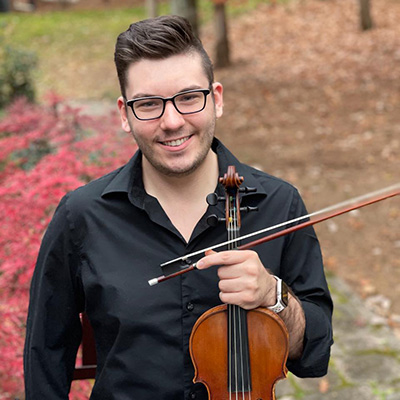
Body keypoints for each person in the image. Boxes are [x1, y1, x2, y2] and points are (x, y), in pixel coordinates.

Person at [24, 15, 333, 399]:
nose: (172, 121)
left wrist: (274, 295)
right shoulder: (81, 216)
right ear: (124, 113)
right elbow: (45, 355)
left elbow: (315, 353)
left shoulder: (279, 204)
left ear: (216, 99)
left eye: (188, 98)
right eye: (149, 104)